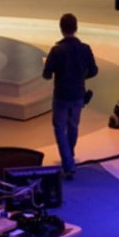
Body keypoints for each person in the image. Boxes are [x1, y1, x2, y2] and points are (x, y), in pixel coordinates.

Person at [42, 14, 98, 180]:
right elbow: (94, 70)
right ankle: (69, 156)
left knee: (60, 128)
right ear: (76, 27)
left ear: (61, 28)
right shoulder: (85, 49)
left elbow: (46, 75)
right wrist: (81, 76)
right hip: (78, 94)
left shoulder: (56, 51)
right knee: (73, 126)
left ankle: (68, 164)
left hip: (61, 95)